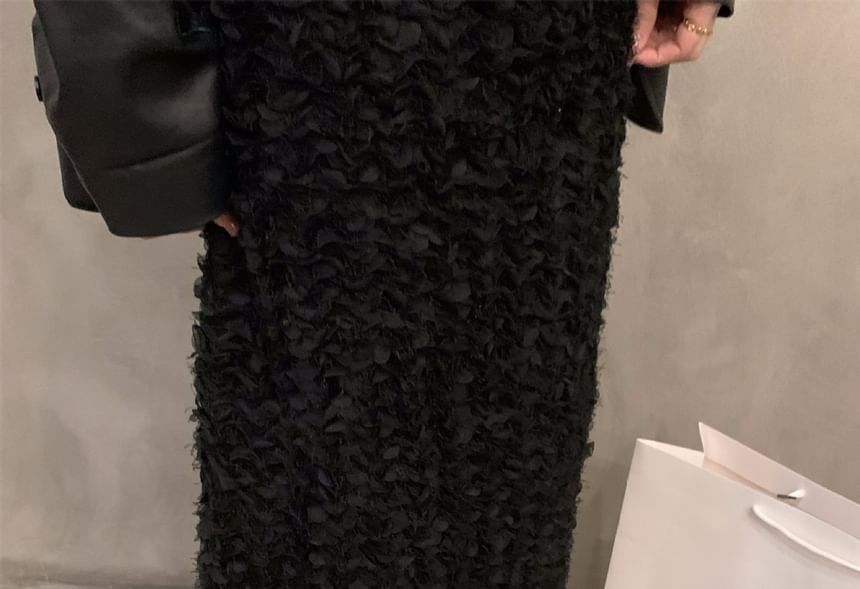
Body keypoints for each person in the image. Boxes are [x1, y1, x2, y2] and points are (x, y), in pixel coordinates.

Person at [32, 1, 733, 587]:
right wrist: (150, 118)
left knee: (510, 491)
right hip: (320, 81)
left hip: (550, 84)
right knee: (321, 501)